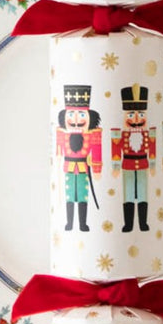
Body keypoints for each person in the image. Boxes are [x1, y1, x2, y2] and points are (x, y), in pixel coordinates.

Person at [55, 83, 103, 232]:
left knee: (82, 195)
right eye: (71, 114)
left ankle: (82, 224)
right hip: (69, 168)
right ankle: (69, 223)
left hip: (83, 168)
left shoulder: (92, 135)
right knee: (70, 195)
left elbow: (96, 150)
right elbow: (58, 152)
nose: (76, 119)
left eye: (81, 114)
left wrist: (96, 168)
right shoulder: (62, 135)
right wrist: (56, 165)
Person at [111, 83, 156, 231]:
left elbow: (153, 148)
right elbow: (116, 150)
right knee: (128, 194)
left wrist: (154, 165)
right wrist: (116, 167)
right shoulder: (120, 134)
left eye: (140, 114)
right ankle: (128, 224)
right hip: (127, 166)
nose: (136, 119)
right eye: (131, 115)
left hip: (143, 164)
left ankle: (143, 223)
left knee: (143, 193)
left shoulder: (148, 133)